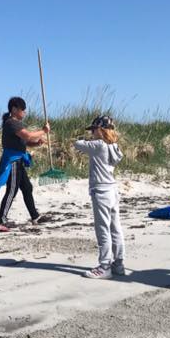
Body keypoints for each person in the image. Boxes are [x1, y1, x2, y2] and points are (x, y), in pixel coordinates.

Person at [73, 115, 126, 279]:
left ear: (100, 130)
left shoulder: (98, 145)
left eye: (94, 130)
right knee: (115, 228)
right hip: (112, 190)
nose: (92, 133)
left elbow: (78, 144)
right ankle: (118, 264)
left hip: (101, 191)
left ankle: (105, 266)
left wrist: (84, 138)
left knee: (103, 230)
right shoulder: (113, 146)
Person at [0, 97, 50, 226]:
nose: (24, 112)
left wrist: (37, 143)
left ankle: (35, 216)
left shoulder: (16, 123)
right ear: (14, 109)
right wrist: (43, 131)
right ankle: (2, 219)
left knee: (27, 188)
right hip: (13, 161)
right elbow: (27, 135)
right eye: (23, 110)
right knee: (12, 190)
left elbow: (25, 142)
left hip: (19, 160)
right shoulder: (11, 123)